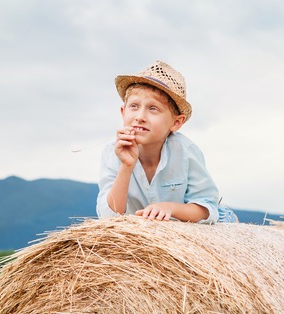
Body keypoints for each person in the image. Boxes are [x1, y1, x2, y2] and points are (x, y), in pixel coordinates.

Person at [96, 60, 237, 224]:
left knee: (224, 218)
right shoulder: (112, 152)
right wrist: (126, 167)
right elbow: (109, 218)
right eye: (134, 106)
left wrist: (170, 208)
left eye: (153, 109)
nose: (140, 117)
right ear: (123, 112)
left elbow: (207, 209)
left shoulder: (187, 151)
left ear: (176, 123)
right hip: (138, 237)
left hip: (186, 230)